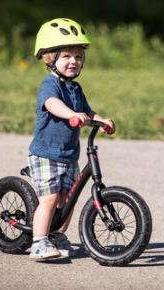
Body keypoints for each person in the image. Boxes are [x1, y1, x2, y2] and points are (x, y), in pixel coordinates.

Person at [28, 18, 115, 260]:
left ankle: (56, 235)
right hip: (46, 153)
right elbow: (52, 105)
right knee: (50, 199)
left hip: (68, 155)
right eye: (66, 56)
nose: (73, 61)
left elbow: (86, 111)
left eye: (78, 57)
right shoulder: (49, 85)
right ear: (49, 59)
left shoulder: (76, 88)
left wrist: (101, 120)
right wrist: (71, 115)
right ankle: (38, 242)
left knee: (68, 200)